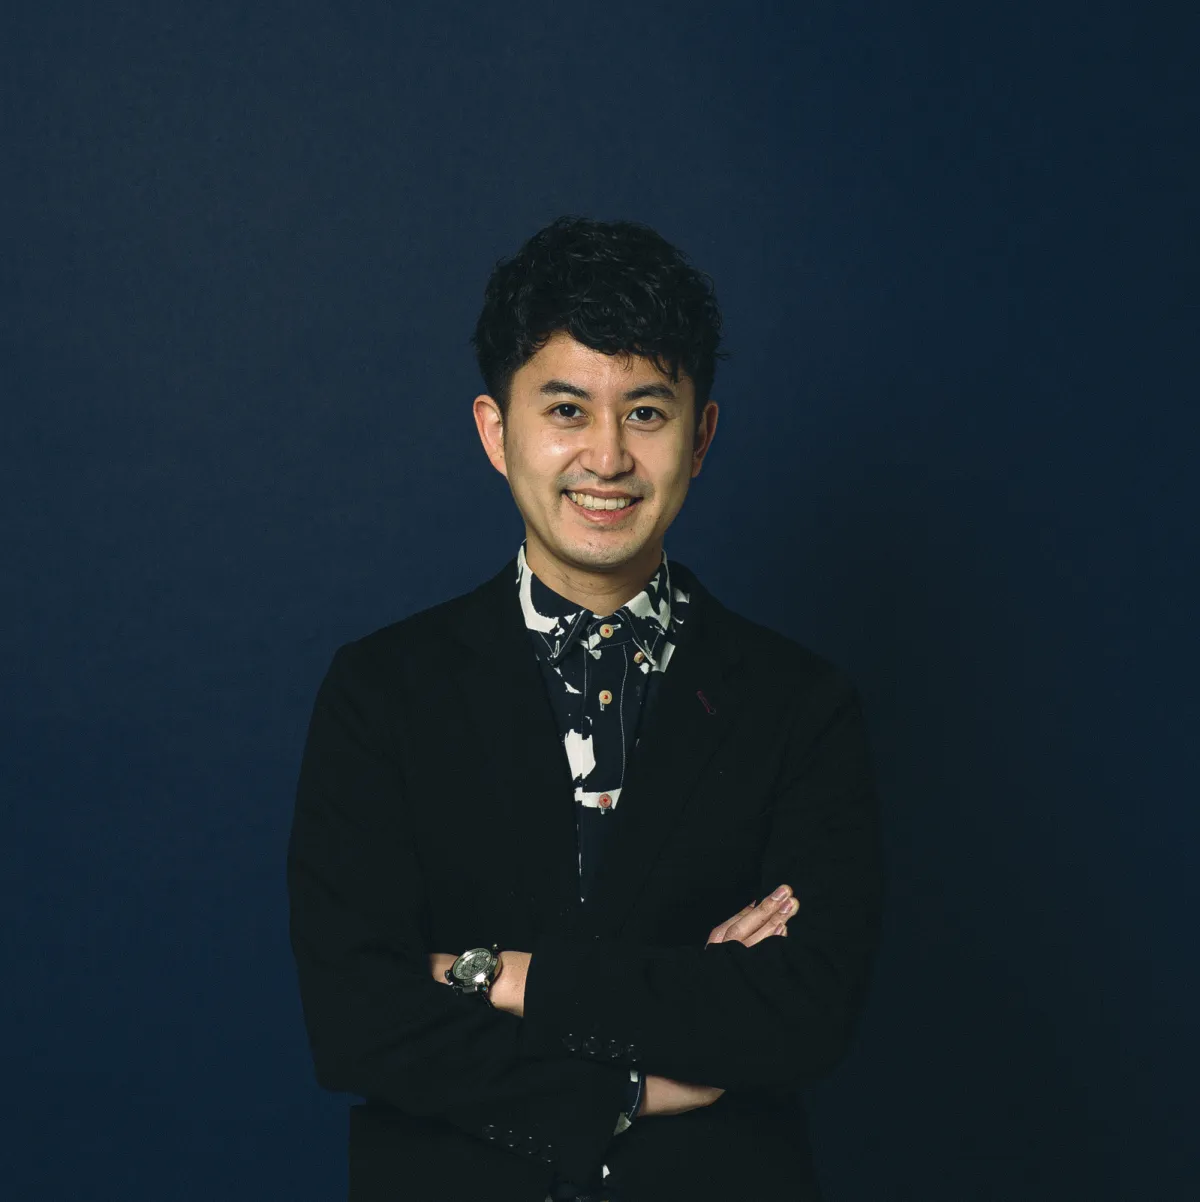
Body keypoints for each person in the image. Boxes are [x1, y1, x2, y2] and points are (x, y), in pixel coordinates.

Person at [286, 215, 884, 1201]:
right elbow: (358, 1022)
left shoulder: (799, 703)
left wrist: (500, 975)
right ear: (497, 431)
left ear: (701, 436)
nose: (606, 457)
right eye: (567, 409)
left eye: (645, 412)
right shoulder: (382, 690)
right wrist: (630, 1083)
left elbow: (802, 1015)